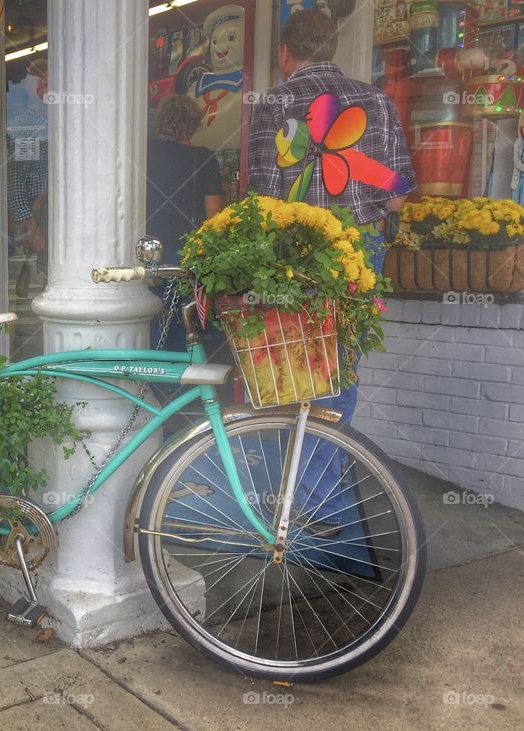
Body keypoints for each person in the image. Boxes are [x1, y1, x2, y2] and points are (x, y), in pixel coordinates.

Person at [248, 9, 416, 532]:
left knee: (287, 364)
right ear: (333, 49)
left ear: (284, 53)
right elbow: (399, 192)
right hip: (354, 251)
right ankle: (320, 499)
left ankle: (290, 494)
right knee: (338, 368)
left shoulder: (272, 103)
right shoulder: (378, 102)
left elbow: (258, 196)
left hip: (291, 250)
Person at [146, 94, 225, 355]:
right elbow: (214, 216)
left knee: (150, 321)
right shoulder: (203, 159)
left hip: (147, 253)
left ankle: (153, 384)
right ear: (194, 123)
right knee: (186, 324)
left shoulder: (144, 154)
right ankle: (183, 386)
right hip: (186, 256)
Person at [7, 58, 49, 275]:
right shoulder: (27, 126)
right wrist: (32, 228)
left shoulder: (60, 122)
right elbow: (15, 188)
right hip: (39, 217)